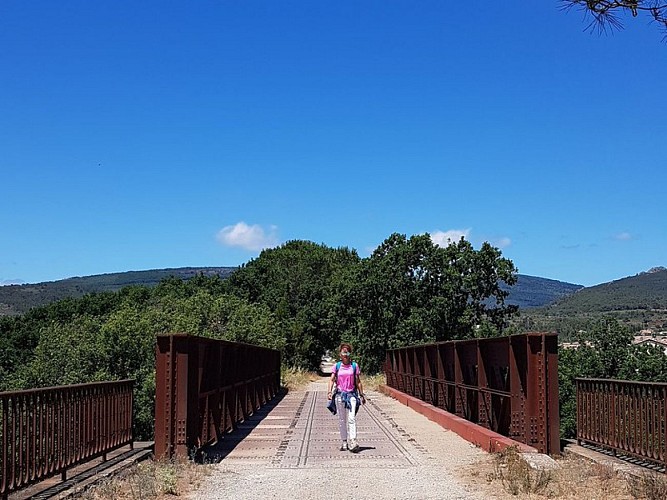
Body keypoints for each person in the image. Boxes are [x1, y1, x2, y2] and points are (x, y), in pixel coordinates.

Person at [327, 342, 366, 452]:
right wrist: (329, 392)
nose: (345, 354)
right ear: (340, 354)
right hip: (340, 395)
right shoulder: (337, 366)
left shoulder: (354, 366)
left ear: (350, 354)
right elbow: (331, 380)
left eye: (347, 352)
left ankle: (353, 440)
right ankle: (344, 442)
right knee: (342, 419)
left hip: (352, 395)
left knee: (352, 418)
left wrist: (362, 395)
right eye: (343, 352)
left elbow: (358, 382)